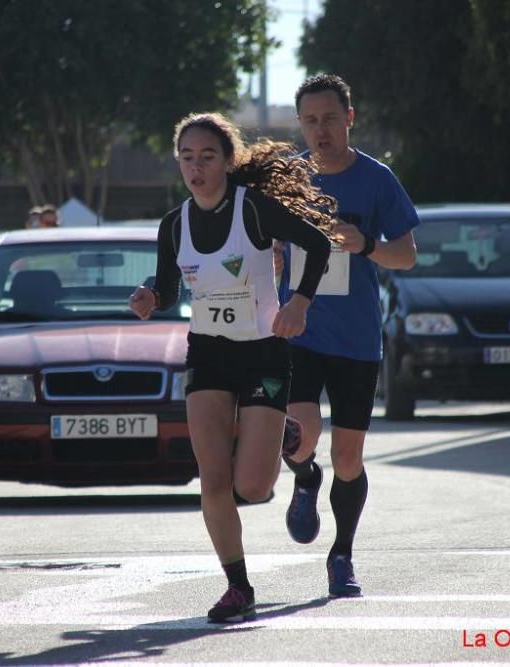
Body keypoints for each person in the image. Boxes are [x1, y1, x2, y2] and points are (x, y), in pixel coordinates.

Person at [128, 112, 332, 623]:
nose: (196, 168)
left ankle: (292, 450)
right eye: (187, 158)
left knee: (254, 488)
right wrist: (151, 296)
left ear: (227, 161)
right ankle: (239, 587)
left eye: (207, 157)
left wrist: (300, 303)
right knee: (213, 482)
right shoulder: (174, 224)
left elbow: (319, 243)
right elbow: (170, 288)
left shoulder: (254, 210)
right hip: (208, 355)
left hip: (263, 351)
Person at [277, 74, 419, 598]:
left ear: (349, 118)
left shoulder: (377, 180)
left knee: (350, 459)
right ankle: (304, 477)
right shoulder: (287, 180)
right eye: (311, 121)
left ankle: (342, 556)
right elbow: (261, 241)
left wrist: (366, 244)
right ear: (301, 125)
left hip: (358, 338)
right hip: (300, 331)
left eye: (330, 119)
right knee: (299, 437)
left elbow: (406, 255)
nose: (321, 130)